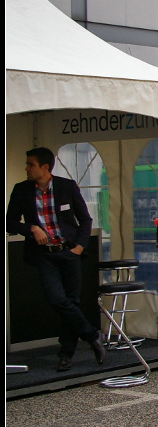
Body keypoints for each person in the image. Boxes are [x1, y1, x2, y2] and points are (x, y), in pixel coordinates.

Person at [6, 147, 106, 371]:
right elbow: (9, 222)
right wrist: (31, 228)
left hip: (69, 252)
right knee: (57, 300)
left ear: (44, 167)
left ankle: (66, 354)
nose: (26, 168)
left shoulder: (66, 186)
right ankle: (92, 337)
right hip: (44, 255)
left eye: (30, 164)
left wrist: (80, 247)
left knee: (72, 301)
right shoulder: (21, 190)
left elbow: (85, 219)